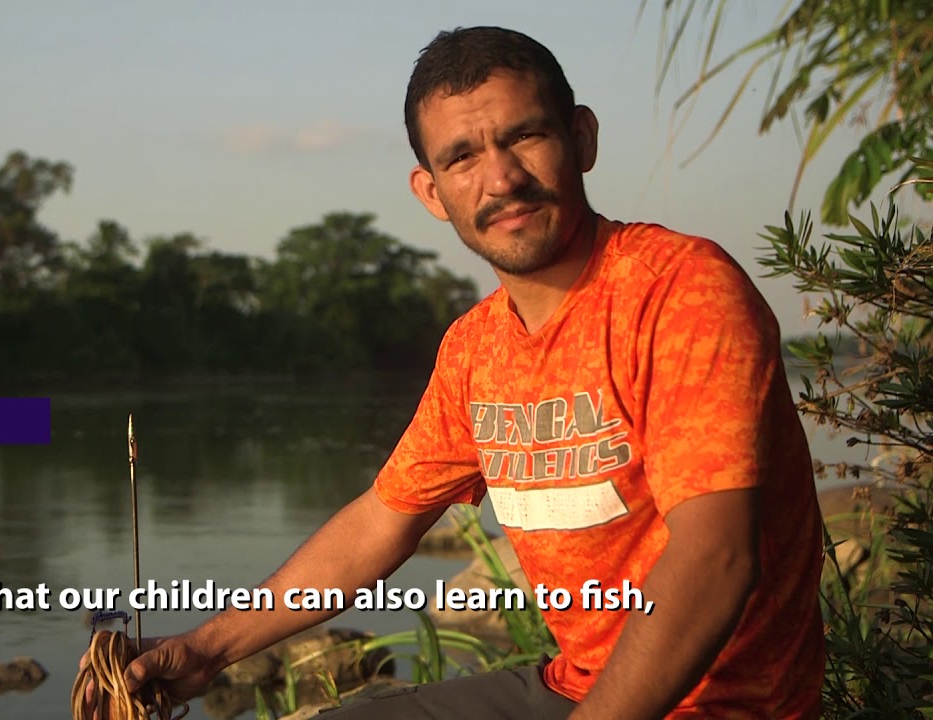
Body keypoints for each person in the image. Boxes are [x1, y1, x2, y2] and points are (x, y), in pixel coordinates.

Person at [96, 26, 826, 719]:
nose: (501, 178)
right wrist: (205, 649)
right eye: (463, 157)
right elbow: (380, 523)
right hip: (573, 691)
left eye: (524, 136)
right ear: (431, 192)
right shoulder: (476, 349)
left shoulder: (679, 290)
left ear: (582, 138)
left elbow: (717, 557)